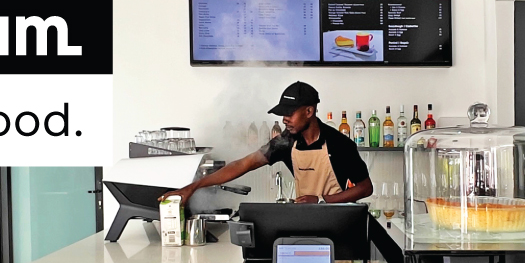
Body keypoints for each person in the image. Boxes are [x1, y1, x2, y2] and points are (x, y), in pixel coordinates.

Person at [160, 81, 373, 205]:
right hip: (304, 224)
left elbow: (365, 188)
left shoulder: (340, 144)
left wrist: (322, 200)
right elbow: (243, 164)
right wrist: (193, 187)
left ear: (309, 111)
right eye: (283, 114)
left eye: (290, 113)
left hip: (337, 226)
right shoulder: (286, 142)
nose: (284, 119)